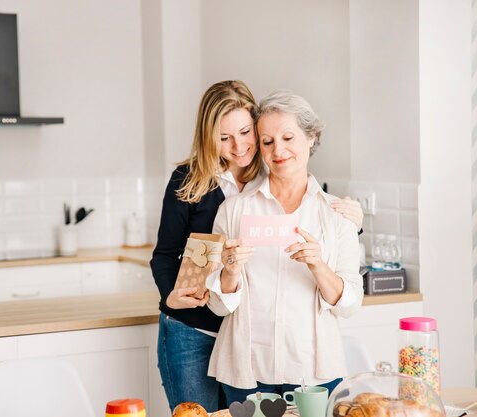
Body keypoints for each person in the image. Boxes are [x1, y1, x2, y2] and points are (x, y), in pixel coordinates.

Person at [150, 81, 363, 412]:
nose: (238, 146)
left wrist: (353, 221)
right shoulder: (191, 180)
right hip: (193, 326)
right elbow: (166, 254)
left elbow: (320, 219)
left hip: (246, 337)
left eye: (246, 133)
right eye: (224, 138)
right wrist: (171, 295)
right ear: (209, 138)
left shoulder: (274, 166)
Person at [206, 90, 364, 404]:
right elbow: (218, 305)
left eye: (288, 137)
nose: (278, 150)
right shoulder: (233, 211)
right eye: (267, 141)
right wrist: (231, 270)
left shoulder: (337, 214)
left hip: (314, 376)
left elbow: (348, 305)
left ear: (311, 137)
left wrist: (318, 265)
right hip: (245, 372)